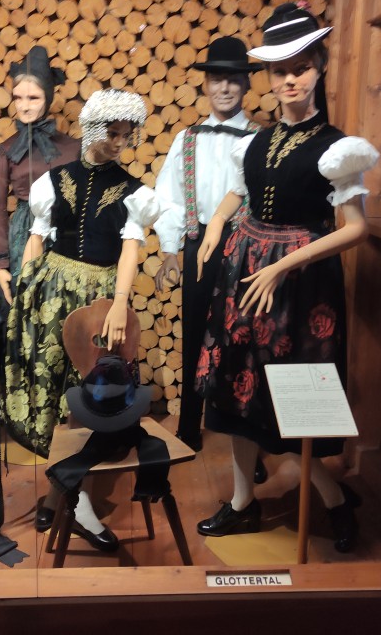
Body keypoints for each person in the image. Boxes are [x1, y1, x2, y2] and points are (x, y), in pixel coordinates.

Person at [194, 2, 379, 553]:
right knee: (237, 396)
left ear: (319, 68)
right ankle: (241, 504)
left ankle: (335, 500)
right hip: (244, 277)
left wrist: (280, 264)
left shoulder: (337, 148)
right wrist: (217, 225)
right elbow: (240, 191)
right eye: (279, 71)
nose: (289, 80)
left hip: (300, 286)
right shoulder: (255, 142)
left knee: (294, 401)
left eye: (300, 67)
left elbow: (356, 229)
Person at [3, 89, 164, 551]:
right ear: (92, 128)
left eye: (125, 134)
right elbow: (37, 237)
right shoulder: (53, 181)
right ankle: (62, 491)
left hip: (99, 300)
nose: (118, 142)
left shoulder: (133, 192)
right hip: (50, 293)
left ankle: (76, 500)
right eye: (111, 132)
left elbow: (130, 249)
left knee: (90, 396)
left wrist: (119, 304)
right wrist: (26, 288)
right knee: (52, 388)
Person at [152, 36, 262, 452]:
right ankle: (188, 425)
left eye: (233, 79)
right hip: (198, 243)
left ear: (246, 84)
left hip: (246, 246)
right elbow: (169, 196)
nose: (225, 88)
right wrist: (169, 249)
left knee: (242, 336)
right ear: (206, 85)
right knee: (195, 331)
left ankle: (246, 436)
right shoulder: (186, 139)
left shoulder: (260, 139)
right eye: (217, 79)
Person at [0, 46, 80, 304]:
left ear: (48, 96)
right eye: (18, 98)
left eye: (33, 98)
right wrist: (0, 264)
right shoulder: (1, 152)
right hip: (23, 236)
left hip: (66, 235)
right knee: (26, 306)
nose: (24, 107)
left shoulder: (74, 149)